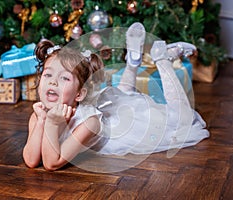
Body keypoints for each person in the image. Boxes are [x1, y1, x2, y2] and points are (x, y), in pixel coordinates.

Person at [23, 22, 209, 171]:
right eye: (48, 74)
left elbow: (51, 163)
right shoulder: (39, 114)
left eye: (64, 78)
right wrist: (41, 121)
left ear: (79, 94)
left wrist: (51, 123)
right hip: (112, 109)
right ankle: (133, 61)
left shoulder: (89, 122)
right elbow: (31, 161)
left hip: (123, 128)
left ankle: (163, 59)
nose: (53, 82)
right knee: (124, 94)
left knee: (182, 120)